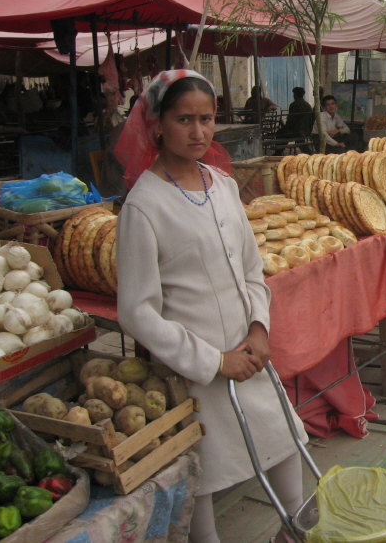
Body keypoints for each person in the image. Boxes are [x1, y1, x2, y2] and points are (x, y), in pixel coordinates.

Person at [114, 69, 306, 543]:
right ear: (157, 124)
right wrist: (213, 361)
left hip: (250, 354)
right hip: (195, 369)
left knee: (283, 441)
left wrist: (259, 329)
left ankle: (297, 531)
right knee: (202, 473)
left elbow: (250, 268)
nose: (199, 132)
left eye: (206, 119)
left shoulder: (222, 185)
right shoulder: (144, 206)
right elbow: (136, 310)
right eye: (184, 120)